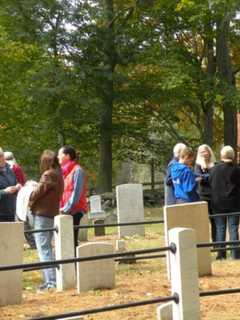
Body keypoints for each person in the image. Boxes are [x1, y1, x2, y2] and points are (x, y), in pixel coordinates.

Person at [28, 150, 64, 291]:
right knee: (48, 247)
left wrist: (29, 195)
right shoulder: (58, 174)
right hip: (51, 213)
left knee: (44, 249)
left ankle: (51, 282)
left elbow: (38, 192)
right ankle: (51, 279)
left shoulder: (48, 174)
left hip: (42, 215)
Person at [209, 146, 240, 260]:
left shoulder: (213, 169)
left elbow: (210, 183)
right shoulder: (237, 169)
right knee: (233, 228)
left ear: (222, 156)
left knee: (220, 228)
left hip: (218, 203)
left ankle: (221, 255)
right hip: (234, 203)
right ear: (233, 156)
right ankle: (236, 255)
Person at [58, 145, 88, 248]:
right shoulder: (64, 172)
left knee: (72, 240)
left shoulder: (77, 170)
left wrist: (66, 209)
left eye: (59, 154)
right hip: (65, 210)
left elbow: (76, 193)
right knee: (67, 240)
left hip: (74, 211)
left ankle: (74, 262)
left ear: (67, 156)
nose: (58, 157)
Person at [194, 144, 216, 242]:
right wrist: (209, 176)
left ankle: (216, 242)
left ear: (209, 152)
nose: (204, 153)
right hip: (202, 196)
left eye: (205, 151)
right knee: (202, 221)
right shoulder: (198, 165)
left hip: (214, 195)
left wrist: (204, 177)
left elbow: (215, 177)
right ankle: (204, 243)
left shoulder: (215, 164)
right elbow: (197, 177)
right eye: (202, 152)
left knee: (214, 221)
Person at [0, 147, 21, 222]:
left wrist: (17, 187)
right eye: (0, 156)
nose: (2, 158)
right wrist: (4, 191)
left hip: (11, 212)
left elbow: (15, 183)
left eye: (2, 155)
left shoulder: (9, 169)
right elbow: (5, 191)